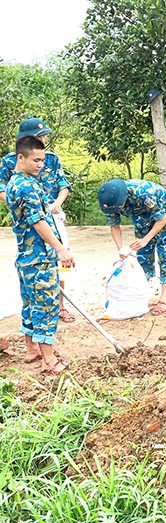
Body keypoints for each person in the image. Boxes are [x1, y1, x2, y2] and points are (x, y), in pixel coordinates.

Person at [5, 136, 75, 374]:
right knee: (46, 306)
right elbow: (38, 222)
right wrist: (60, 249)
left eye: (43, 160)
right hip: (39, 258)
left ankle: (32, 349)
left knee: (31, 306)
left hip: (27, 258)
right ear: (20, 158)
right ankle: (48, 360)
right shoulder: (26, 186)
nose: (41, 164)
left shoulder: (15, 183)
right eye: (36, 160)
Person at [0, 118, 75, 322]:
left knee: (59, 258)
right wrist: (22, 205)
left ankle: (59, 305)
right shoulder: (11, 162)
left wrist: (57, 203)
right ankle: (40, 313)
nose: (42, 139)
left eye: (43, 136)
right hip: (31, 218)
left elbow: (63, 185)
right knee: (36, 260)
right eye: (38, 137)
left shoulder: (51, 158)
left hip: (52, 216)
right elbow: (2, 188)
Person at [97, 179, 166, 315]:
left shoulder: (143, 193)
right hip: (141, 218)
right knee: (143, 255)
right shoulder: (110, 201)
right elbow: (114, 226)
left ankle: (164, 299)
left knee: (165, 253)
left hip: (164, 214)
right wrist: (120, 248)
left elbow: (162, 219)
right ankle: (142, 296)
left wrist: (146, 239)